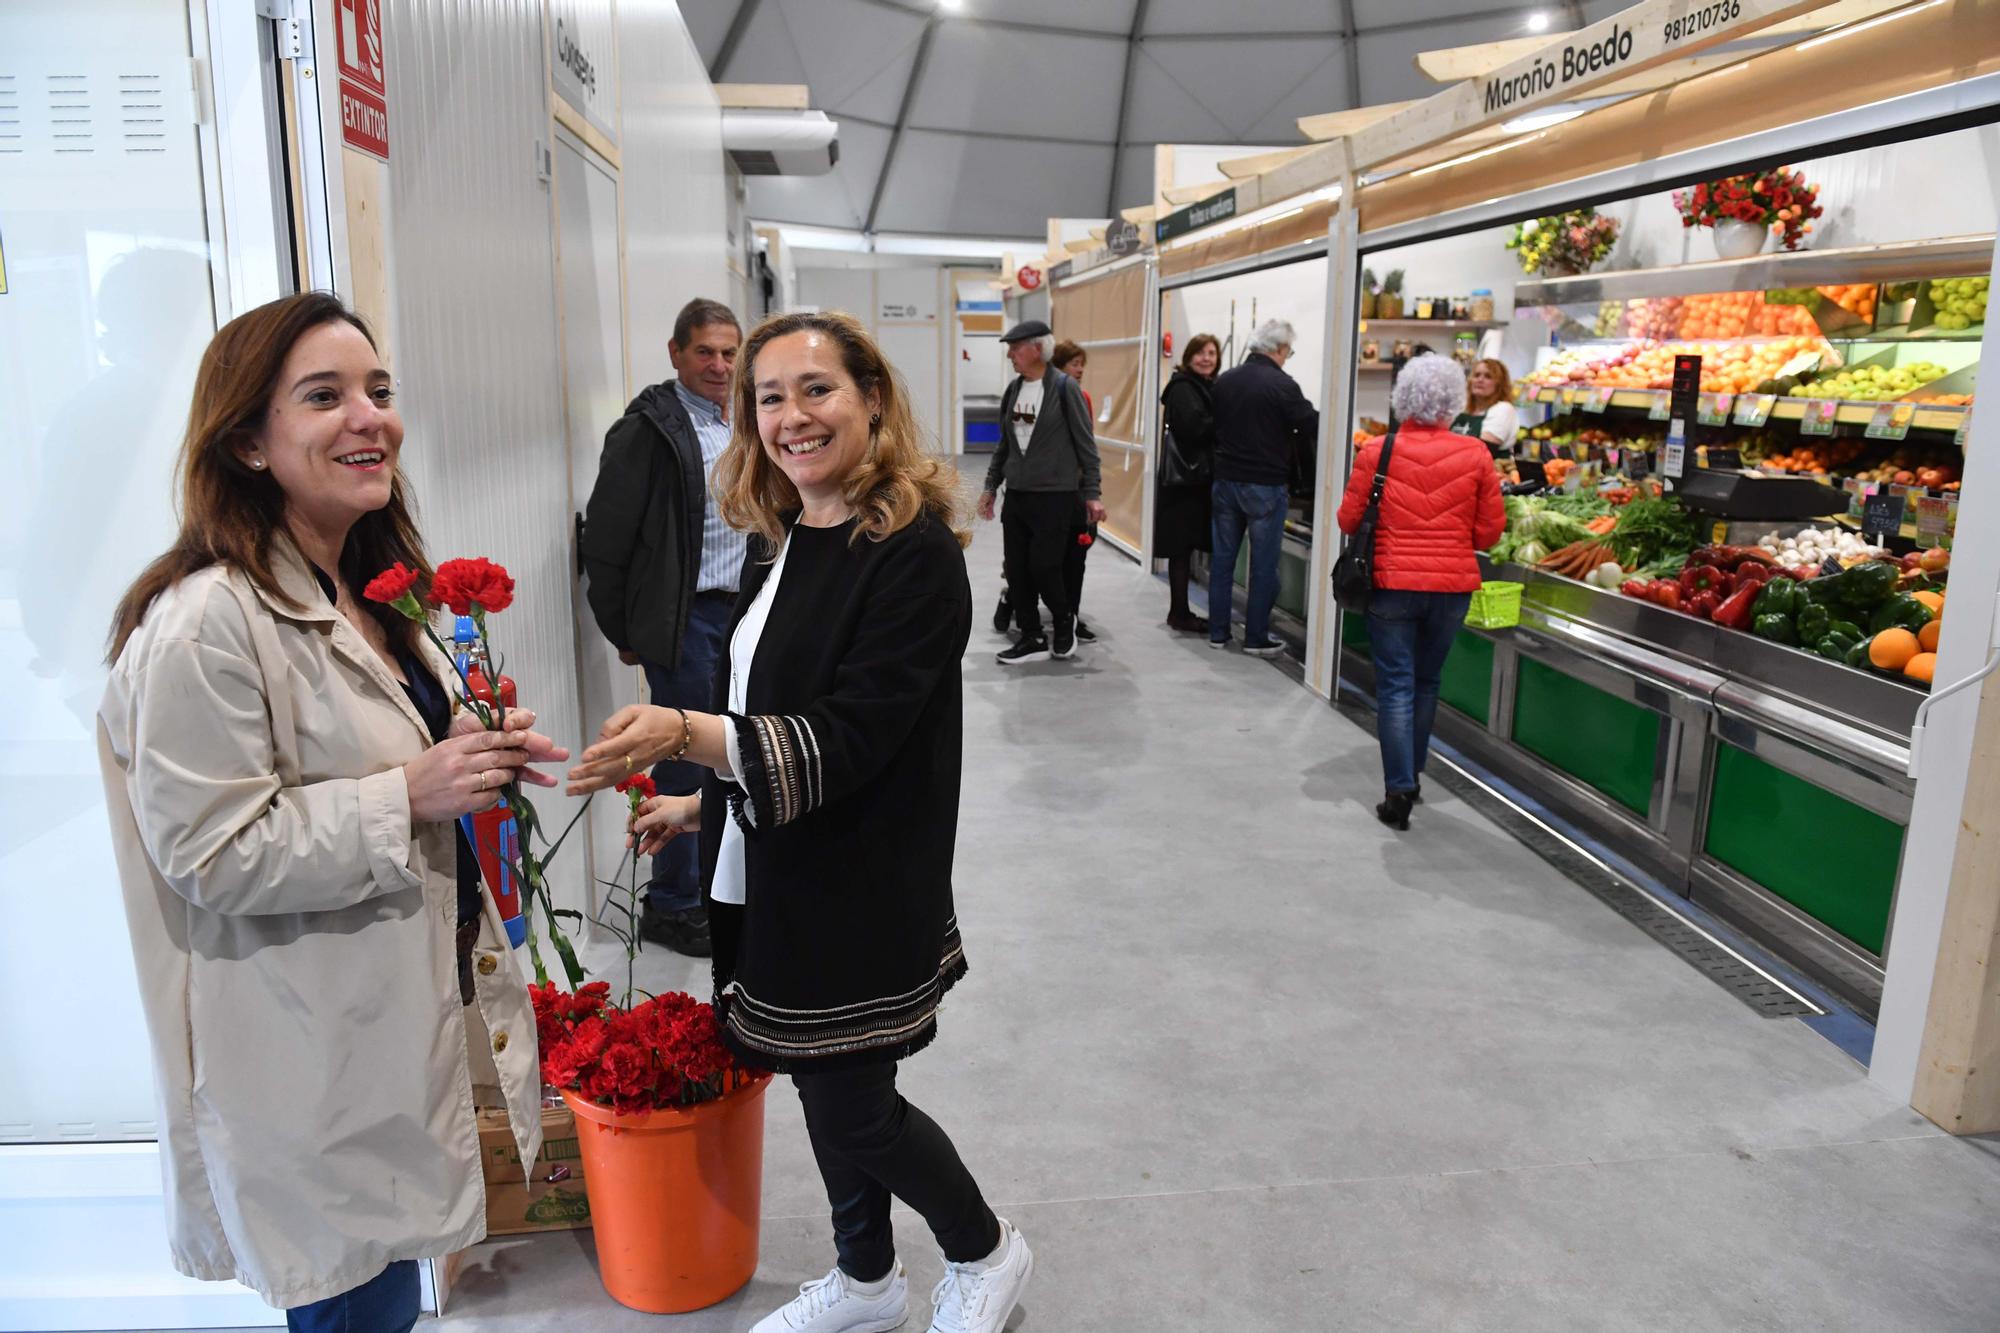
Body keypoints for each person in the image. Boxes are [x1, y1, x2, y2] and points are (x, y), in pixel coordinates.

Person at [97, 293, 568, 1328]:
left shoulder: (365, 591)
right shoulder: (202, 625)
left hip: (385, 1037)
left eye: (379, 391)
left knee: (390, 1293)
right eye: (325, 397)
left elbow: (380, 754)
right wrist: (413, 790)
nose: (370, 417)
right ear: (248, 444)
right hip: (306, 1066)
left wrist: (474, 754)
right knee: (355, 1306)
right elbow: (211, 852)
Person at [566, 312, 1032, 1333]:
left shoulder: (909, 555)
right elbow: (764, 699)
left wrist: (684, 733)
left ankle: (985, 1249)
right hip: (780, 868)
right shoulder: (787, 539)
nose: (791, 416)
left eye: (814, 390)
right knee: (822, 1084)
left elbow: (847, 737)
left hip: (861, 879)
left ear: (871, 398)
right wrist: (700, 804)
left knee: (855, 1104)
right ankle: (866, 1279)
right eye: (767, 398)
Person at [580, 297, 747, 957]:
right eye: (705, 351)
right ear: (675, 353)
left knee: (733, 751)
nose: (719, 364)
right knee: (685, 758)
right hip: (690, 621)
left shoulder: (746, 420)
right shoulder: (648, 430)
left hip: (743, 611)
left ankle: (717, 882)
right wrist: (627, 629)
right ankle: (672, 903)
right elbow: (606, 541)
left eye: (730, 352)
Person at [1337, 354, 1504, 832]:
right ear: (1453, 401)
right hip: (1451, 589)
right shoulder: (1475, 454)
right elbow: (1490, 533)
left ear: (1403, 399)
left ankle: (1398, 790)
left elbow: (1349, 521)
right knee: (1427, 682)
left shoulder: (1378, 451)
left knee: (1394, 686)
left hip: (1391, 587)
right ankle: (1415, 775)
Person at [977, 319, 1105, 665]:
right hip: (1017, 496)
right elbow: (1004, 445)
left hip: (1056, 496)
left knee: (1045, 568)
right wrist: (990, 487)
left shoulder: (1064, 389)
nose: (1010, 355)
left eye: (1015, 347)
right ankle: (1031, 635)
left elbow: (1086, 446)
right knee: (1017, 570)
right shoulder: (1014, 390)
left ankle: (1065, 620)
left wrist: (1092, 492)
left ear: (1038, 349)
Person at [1209, 319, 1318, 657]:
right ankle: (1255, 637)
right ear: (1280, 349)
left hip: (1225, 481)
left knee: (1223, 561)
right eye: (1289, 352)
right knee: (1263, 565)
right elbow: (1312, 424)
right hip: (1265, 486)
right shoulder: (1283, 385)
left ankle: (1218, 632)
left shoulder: (1224, 381)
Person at [1157, 333, 1220, 634]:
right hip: (1183, 484)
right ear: (1188, 356)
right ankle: (1179, 612)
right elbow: (1193, 429)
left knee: (1184, 548)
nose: (1206, 358)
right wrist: (1224, 418)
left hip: (1193, 483)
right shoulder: (1183, 388)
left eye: (1212, 353)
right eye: (1200, 353)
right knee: (1180, 550)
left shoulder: (1202, 386)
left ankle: (1180, 611)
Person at [1051, 338, 1100, 644]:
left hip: (1077, 490)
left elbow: (1087, 445)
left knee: (1076, 557)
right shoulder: (1051, 398)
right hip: (1051, 489)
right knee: (1046, 559)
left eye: (1082, 364)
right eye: (1074, 364)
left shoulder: (1084, 398)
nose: (1080, 370)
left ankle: (1072, 614)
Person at [1453, 358, 1520, 456]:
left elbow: (1483, 450)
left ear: (1499, 384)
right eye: (1476, 375)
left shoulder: (1503, 409)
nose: (1480, 380)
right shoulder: (1462, 408)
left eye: (1488, 376)